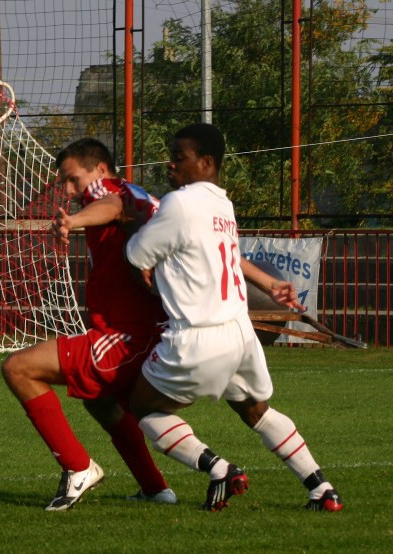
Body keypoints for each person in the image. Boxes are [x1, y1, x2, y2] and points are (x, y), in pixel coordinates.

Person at [121, 122, 342, 512]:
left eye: (179, 157)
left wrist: (135, 223)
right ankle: (321, 488)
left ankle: (217, 467)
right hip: (240, 333)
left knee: (140, 407)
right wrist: (270, 283)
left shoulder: (181, 203)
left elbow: (137, 254)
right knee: (256, 411)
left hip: (198, 336)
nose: (170, 165)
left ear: (206, 162)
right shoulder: (222, 205)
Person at [1, 138, 176, 511]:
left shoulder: (111, 189)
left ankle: (78, 468)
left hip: (128, 337)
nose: (67, 190)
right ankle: (154, 488)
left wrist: (74, 220)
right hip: (140, 331)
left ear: (99, 169)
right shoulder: (135, 194)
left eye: (72, 180)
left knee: (19, 368)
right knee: (100, 402)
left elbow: (112, 205)